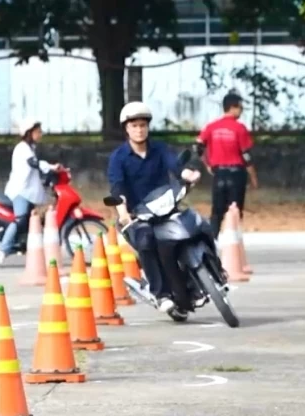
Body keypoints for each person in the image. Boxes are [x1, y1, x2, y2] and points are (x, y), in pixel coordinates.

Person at [107, 102, 199, 313]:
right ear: (126, 129)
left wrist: (187, 174)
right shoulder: (118, 158)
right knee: (146, 240)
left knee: (192, 227)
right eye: (134, 126)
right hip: (137, 215)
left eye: (142, 125)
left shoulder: (159, 148)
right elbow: (117, 186)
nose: (139, 130)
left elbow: (174, 165)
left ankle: (205, 274)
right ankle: (161, 293)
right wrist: (123, 212)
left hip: (165, 206)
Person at [0, 118, 61, 265]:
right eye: (38, 132)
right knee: (21, 219)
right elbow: (33, 163)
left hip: (28, 191)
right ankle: (3, 248)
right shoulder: (22, 148)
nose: (41, 134)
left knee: (32, 219)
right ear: (29, 133)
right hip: (20, 191)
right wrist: (50, 167)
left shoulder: (30, 148)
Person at [195, 92, 257, 239]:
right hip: (236, 174)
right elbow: (246, 156)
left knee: (216, 212)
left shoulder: (211, 127)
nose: (241, 111)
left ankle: (212, 243)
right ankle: (233, 243)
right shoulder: (239, 128)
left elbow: (197, 147)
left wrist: (207, 164)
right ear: (232, 107)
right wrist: (253, 177)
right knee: (235, 211)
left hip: (219, 174)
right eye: (240, 107)